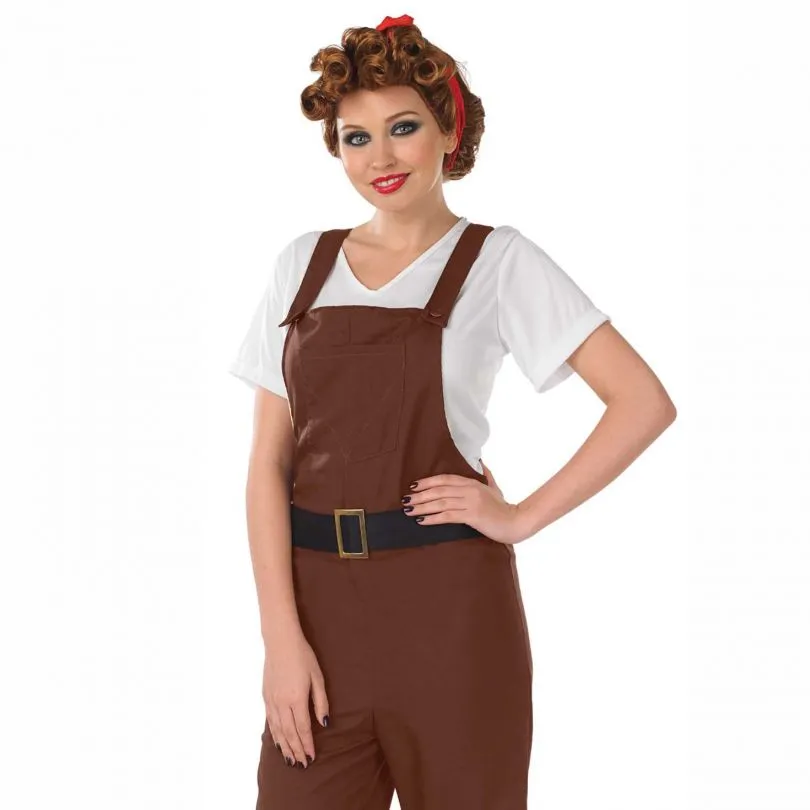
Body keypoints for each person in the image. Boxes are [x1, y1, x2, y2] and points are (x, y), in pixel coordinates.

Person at [228, 13, 677, 810]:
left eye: (403, 128)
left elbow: (642, 402)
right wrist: (280, 640)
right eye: (356, 137)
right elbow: (268, 463)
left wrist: (520, 516)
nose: (380, 157)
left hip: (450, 615)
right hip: (317, 614)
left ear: (449, 131)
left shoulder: (499, 261)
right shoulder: (302, 264)